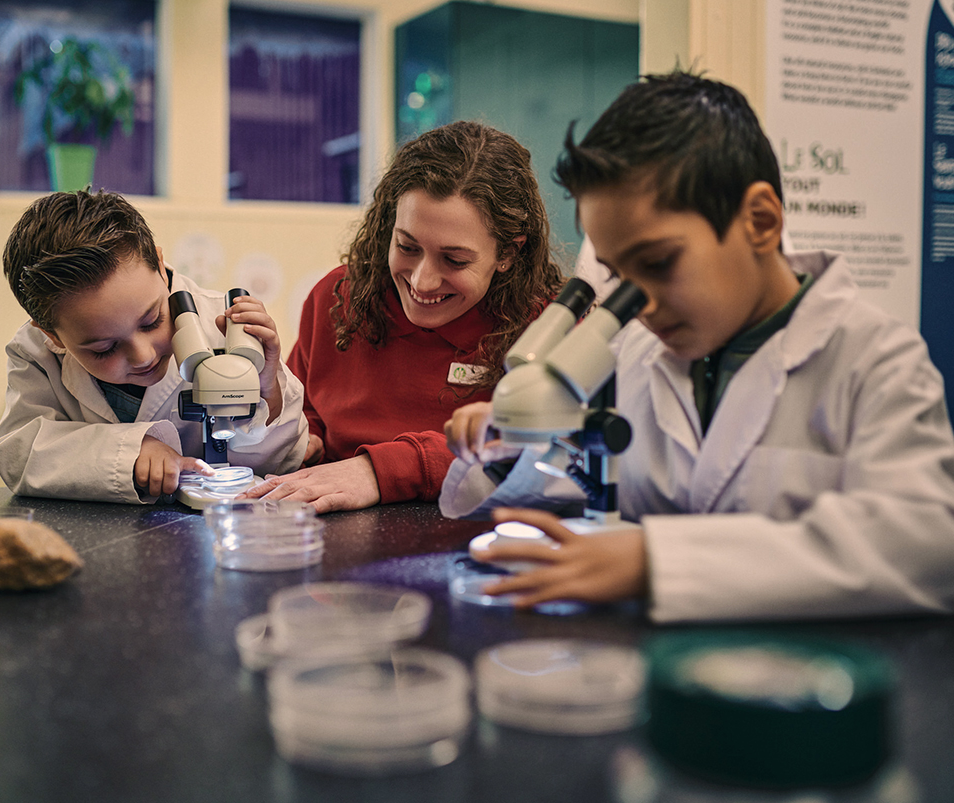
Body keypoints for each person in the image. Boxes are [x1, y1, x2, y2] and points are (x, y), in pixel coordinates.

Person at [440, 71, 954, 622]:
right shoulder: (638, 354)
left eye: (659, 264)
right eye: (618, 277)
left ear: (760, 221)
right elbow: (587, 484)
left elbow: (923, 546)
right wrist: (512, 449)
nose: (642, 307)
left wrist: (657, 564)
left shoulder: (874, 357)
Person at [243, 121, 564, 512]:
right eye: (407, 247)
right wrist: (297, 437)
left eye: (454, 259)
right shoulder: (338, 298)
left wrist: (380, 471)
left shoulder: (550, 328)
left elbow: (550, 452)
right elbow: (308, 412)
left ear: (508, 254)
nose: (423, 281)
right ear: (387, 229)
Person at [0, 190, 308, 503]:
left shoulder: (223, 326)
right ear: (52, 336)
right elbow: (20, 453)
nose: (143, 356)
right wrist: (131, 451)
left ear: (158, 263)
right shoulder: (35, 353)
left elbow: (281, 463)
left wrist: (267, 391)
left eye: (151, 320)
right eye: (104, 348)